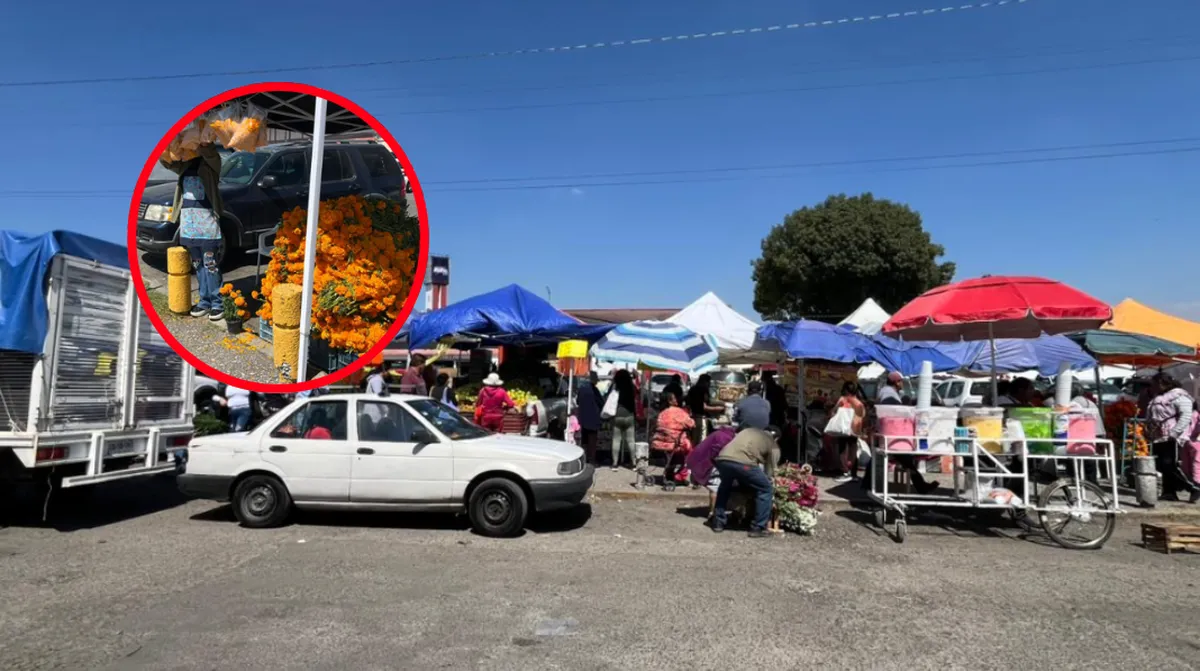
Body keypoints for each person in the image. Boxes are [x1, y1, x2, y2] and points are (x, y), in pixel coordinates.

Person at [159, 144, 225, 321]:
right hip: (189, 223)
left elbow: (210, 153)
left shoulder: (211, 165)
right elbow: (166, 162)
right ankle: (204, 301)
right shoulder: (184, 166)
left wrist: (198, 138)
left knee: (210, 264)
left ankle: (217, 302)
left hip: (207, 222)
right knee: (198, 265)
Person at [711, 427, 780, 538]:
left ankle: (718, 522)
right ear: (777, 439)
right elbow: (770, 472)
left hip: (722, 459)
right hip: (744, 463)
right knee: (766, 489)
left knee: (725, 487)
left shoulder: (748, 430)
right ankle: (758, 527)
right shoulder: (773, 444)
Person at [1147, 374, 1197, 502]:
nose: (1153, 387)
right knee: (1161, 465)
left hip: (1171, 436)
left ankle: (1193, 488)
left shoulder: (1180, 396)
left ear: (1163, 383)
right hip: (1159, 436)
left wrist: (1175, 433)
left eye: (1155, 384)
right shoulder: (1158, 397)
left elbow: (1185, 416)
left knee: (1169, 465)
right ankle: (1169, 492)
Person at [686, 425, 738, 519]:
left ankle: (714, 510)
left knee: (714, 488)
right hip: (714, 463)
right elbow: (717, 452)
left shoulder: (717, 434)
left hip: (704, 461)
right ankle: (713, 512)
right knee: (715, 488)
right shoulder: (726, 438)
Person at [652, 390, 696, 477]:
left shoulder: (662, 413)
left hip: (660, 443)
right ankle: (681, 474)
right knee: (690, 450)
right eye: (674, 398)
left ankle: (671, 471)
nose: (676, 400)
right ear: (669, 401)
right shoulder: (679, 412)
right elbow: (692, 424)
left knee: (674, 453)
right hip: (675, 443)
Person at [832, 381, 866, 483]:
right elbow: (863, 414)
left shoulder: (843, 400)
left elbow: (834, 411)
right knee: (853, 450)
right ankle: (853, 473)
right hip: (855, 429)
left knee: (843, 450)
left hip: (844, 428)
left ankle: (845, 472)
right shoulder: (859, 402)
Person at [609, 369, 638, 471]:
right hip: (629, 415)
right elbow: (636, 397)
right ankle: (634, 464)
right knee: (631, 440)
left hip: (617, 414)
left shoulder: (615, 387)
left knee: (616, 440)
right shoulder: (631, 387)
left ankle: (615, 464)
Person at [686, 374, 725, 444]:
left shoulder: (692, 389)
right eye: (709, 382)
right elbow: (704, 407)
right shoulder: (703, 390)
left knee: (694, 440)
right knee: (701, 440)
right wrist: (718, 409)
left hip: (693, 417)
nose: (709, 384)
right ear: (705, 382)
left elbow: (688, 403)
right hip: (701, 418)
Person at [575, 372, 604, 464]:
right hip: (593, 419)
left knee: (584, 439)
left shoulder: (582, 388)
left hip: (583, 418)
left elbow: (577, 401)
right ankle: (591, 460)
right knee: (592, 440)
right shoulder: (594, 390)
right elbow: (601, 403)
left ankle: (584, 458)